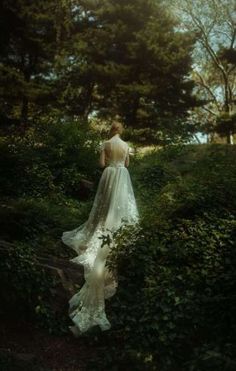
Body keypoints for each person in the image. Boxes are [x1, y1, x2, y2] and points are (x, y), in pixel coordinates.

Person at [61, 120, 139, 336]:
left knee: (103, 207)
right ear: (121, 130)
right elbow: (128, 164)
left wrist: (108, 158)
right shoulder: (125, 145)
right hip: (123, 176)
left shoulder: (105, 143)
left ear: (111, 130)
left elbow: (101, 164)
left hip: (109, 175)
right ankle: (114, 228)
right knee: (119, 207)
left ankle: (100, 228)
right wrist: (121, 163)